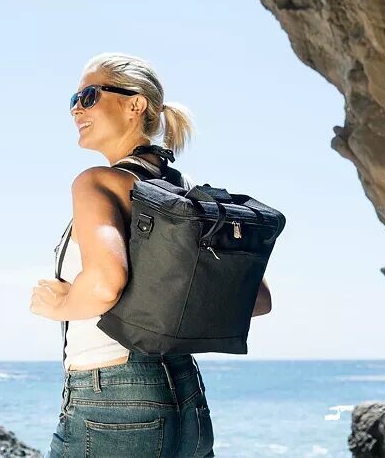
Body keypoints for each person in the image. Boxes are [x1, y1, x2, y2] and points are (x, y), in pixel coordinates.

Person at [30, 52, 272, 457]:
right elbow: (256, 298)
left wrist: (59, 305)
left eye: (89, 96)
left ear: (135, 104)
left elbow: (104, 285)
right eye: (73, 99)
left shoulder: (98, 183)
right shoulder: (185, 189)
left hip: (112, 399)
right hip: (186, 396)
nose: (76, 108)